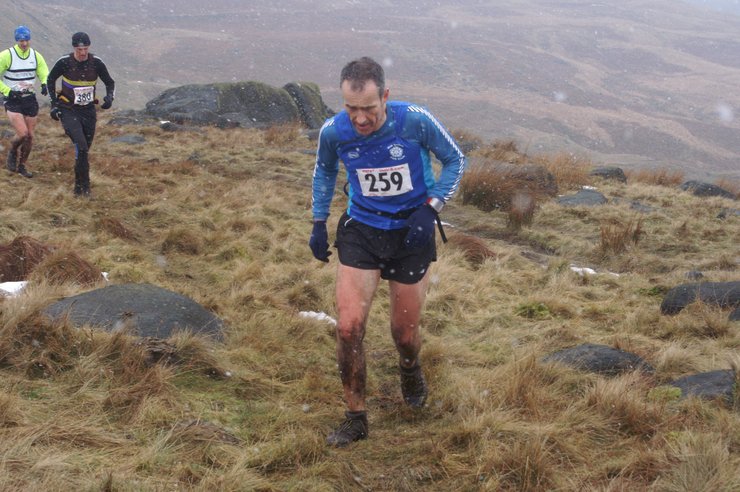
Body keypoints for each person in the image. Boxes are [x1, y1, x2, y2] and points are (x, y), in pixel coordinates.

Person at [309, 56, 467, 447]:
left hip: (411, 235)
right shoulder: (334, 131)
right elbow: (325, 170)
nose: (360, 119)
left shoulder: (414, 120)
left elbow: (455, 159)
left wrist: (431, 208)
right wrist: (318, 222)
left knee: (404, 334)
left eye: (369, 108)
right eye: (351, 108)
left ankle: (410, 368)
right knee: (348, 328)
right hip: (362, 230)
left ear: (385, 96)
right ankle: (355, 417)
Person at [46, 31, 114, 196]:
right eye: (79, 49)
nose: (83, 53)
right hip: (68, 110)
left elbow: (110, 82)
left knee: (84, 150)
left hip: (88, 111)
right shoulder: (64, 62)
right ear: (74, 48)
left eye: (85, 49)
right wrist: (54, 105)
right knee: (81, 146)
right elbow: (50, 80)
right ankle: (84, 187)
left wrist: (109, 97)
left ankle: (80, 187)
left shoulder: (96, 63)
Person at [1, 26, 49, 178]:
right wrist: (8, 91)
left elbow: (43, 71)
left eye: (26, 40)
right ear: (17, 40)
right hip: (13, 99)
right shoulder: (7, 55)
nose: (24, 43)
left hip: (29, 99)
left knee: (30, 136)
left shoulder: (35, 56)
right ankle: (13, 150)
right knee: (22, 133)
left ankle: (22, 166)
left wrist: (44, 83)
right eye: (21, 41)